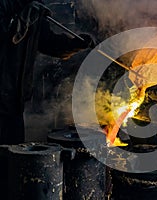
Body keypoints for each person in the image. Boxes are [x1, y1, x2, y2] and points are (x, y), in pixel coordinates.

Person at [0, 0, 94, 145]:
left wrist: (75, 44)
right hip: (3, 93)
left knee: (13, 153)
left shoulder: (33, 7)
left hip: (14, 99)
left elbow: (48, 43)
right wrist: (22, 17)